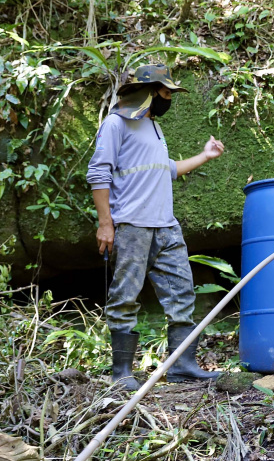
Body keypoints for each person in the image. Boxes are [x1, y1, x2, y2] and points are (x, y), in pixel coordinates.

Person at [87, 64, 226, 391]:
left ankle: (182, 366)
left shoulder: (153, 127)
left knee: (182, 292)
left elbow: (167, 170)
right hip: (133, 226)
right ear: (148, 91)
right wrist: (105, 223)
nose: (168, 99)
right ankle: (122, 373)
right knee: (125, 296)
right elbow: (98, 173)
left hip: (166, 226)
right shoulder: (115, 124)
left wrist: (205, 156)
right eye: (165, 93)